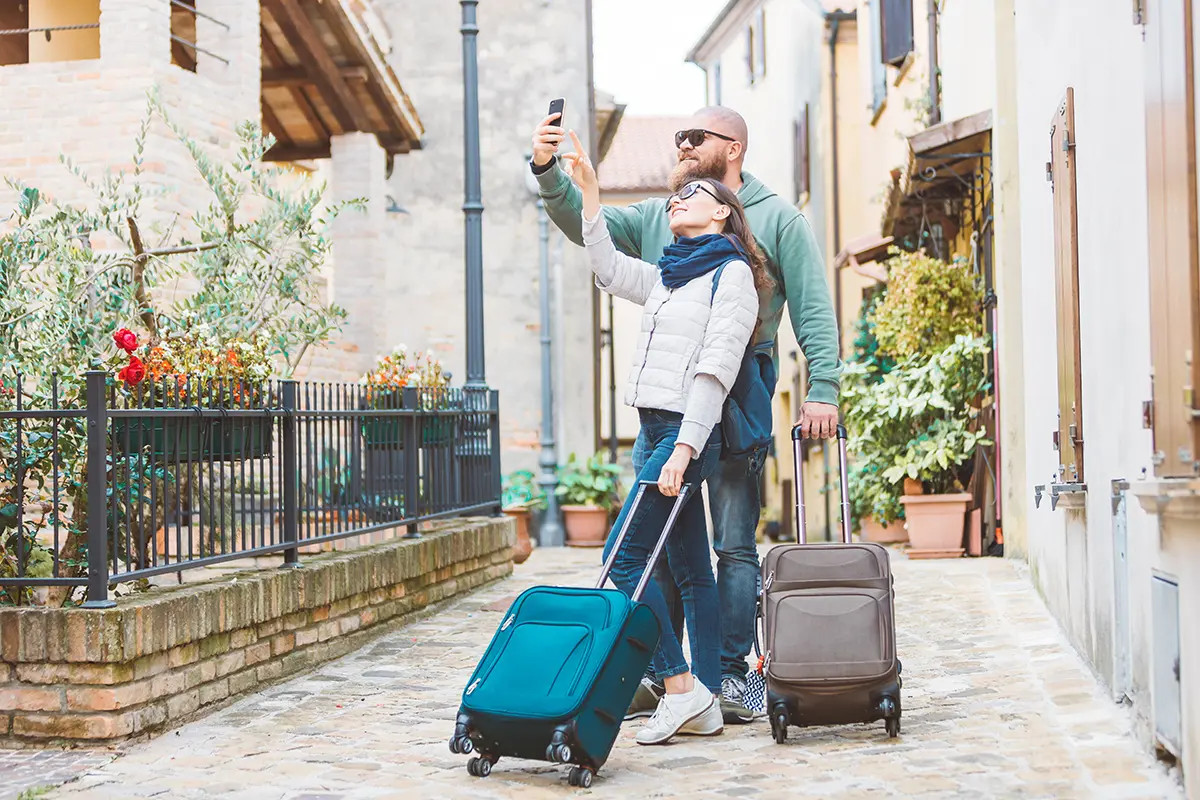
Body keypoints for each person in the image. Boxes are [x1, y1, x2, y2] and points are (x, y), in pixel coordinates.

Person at [530, 106, 842, 724]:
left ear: (734, 148)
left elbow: (811, 307)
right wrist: (549, 172)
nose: (682, 146)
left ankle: (726, 675)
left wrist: (824, 388)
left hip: (737, 391)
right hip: (666, 404)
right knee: (672, 548)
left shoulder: (777, 220)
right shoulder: (661, 215)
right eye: (679, 137)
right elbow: (590, 235)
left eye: (696, 138)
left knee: (732, 543)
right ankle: (669, 676)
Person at [557, 129, 764, 745]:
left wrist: (684, 449)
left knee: (621, 560)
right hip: (652, 430)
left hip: (681, 434)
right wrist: (590, 195)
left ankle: (678, 685)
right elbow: (608, 268)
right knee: (691, 568)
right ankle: (706, 700)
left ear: (722, 212)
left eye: (692, 195)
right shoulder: (672, 275)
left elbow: (715, 368)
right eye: (675, 196)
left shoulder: (732, 276)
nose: (677, 199)